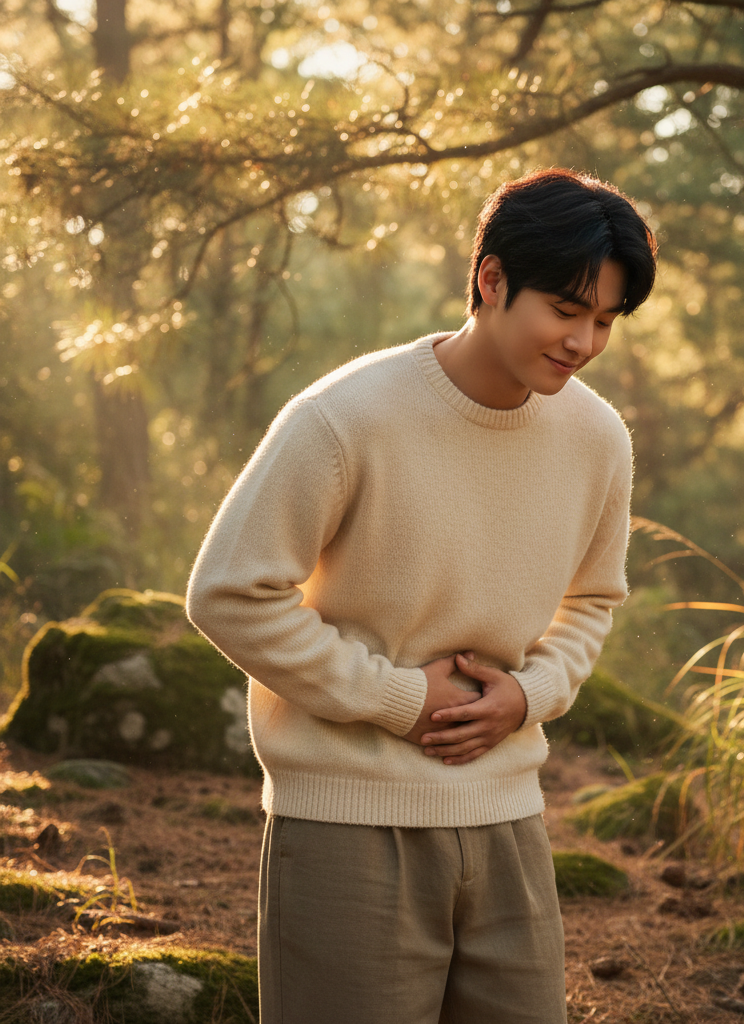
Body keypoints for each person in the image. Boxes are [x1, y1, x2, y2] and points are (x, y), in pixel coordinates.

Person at [186, 167, 658, 1023]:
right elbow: (228, 593)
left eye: (604, 321)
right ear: (491, 279)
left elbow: (594, 601)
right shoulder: (346, 418)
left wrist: (529, 694)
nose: (584, 342)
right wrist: (399, 698)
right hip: (344, 826)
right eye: (566, 309)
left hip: (511, 822)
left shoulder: (597, 438)